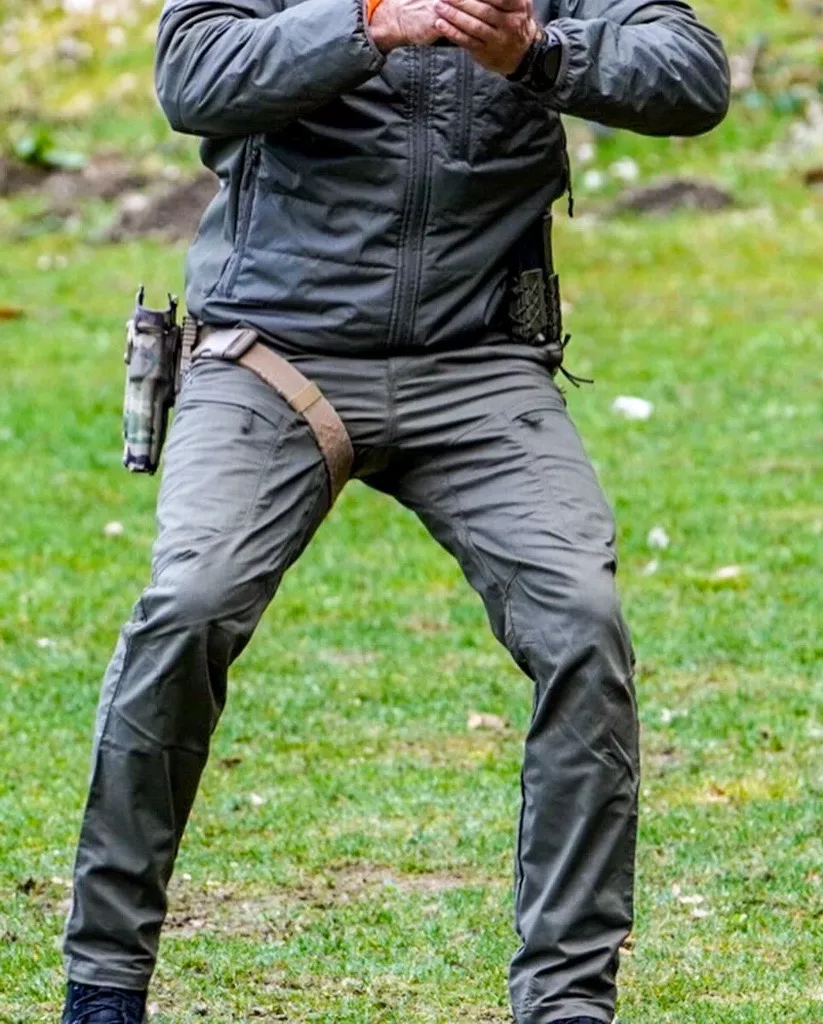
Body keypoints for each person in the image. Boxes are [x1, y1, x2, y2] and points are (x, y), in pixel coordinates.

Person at [60, 0, 729, 1020]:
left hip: (477, 361)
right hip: (271, 350)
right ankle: (104, 982)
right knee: (190, 603)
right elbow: (194, 73)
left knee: (582, 625)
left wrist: (537, 53)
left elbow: (690, 75)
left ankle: (567, 1000)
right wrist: (368, 22)